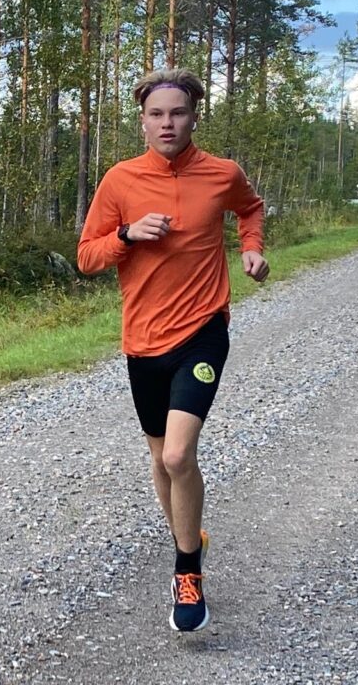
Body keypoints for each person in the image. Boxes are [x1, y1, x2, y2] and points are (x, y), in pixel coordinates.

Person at [76, 68, 269, 632]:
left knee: (180, 455)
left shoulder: (221, 173)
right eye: (157, 114)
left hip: (204, 330)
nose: (168, 123)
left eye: (178, 113)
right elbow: (87, 255)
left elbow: (250, 208)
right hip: (143, 339)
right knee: (161, 458)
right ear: (142, 122)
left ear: (193, 116)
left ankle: (187, 571)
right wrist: (127, 236)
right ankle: (193, 537)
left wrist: (251, 249)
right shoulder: (120, 181)